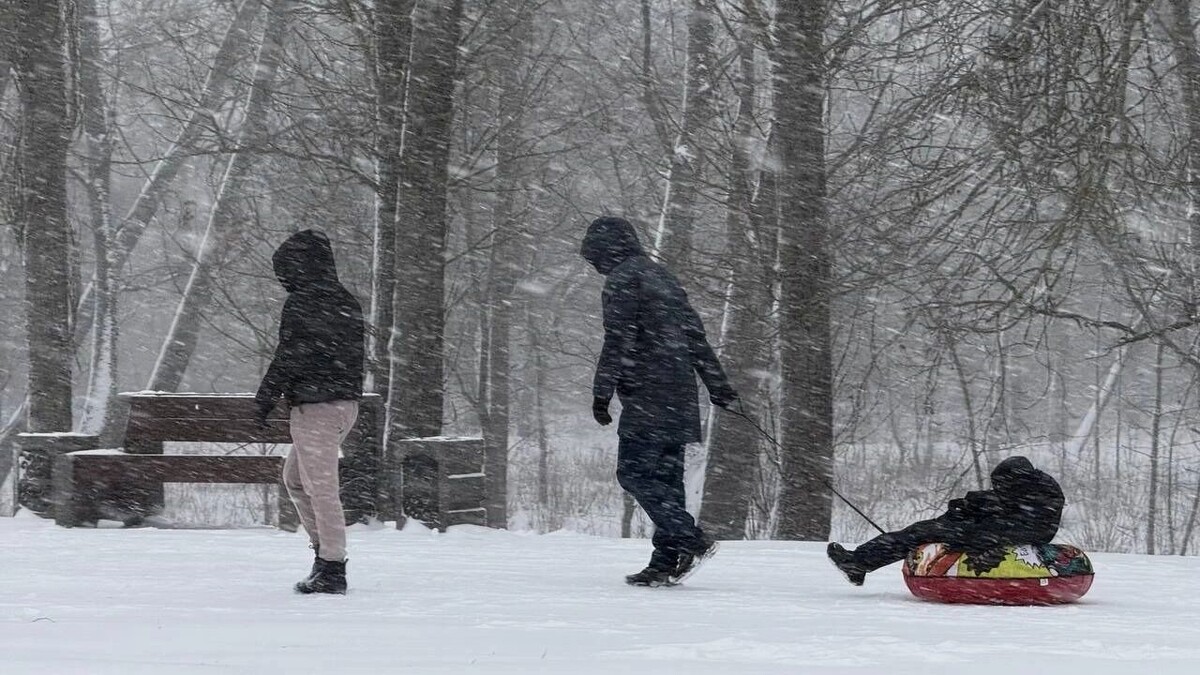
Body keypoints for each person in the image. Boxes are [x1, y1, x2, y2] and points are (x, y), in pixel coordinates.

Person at [580, 216, 738, 587]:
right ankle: (665, 560)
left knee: (632, 473)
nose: (596, 266)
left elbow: (616, 340)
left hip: (648, 395)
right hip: (680, 395)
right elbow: (694, 335)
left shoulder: (622, 281)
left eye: (595, 258)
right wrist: (717, 385)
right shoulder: (663, 276)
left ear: (606, 251)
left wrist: (602, 393)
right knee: (667, 481)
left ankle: (688, 537)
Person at [255, 229, 364, 595]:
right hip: (345, 404)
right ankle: (325, 555)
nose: (285, 280)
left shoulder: (303, 303)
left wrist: (265, 397)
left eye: (286, 271)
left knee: (320, 488)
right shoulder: (345, 300)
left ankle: (332, 567)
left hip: (316, 406)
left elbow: (290, 354)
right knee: (297, 480)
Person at [827, 455, 1065, 585]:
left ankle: (859, 562)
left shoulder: (1034, 500)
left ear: (1012, 481)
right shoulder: (1033, 490)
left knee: (920, 533)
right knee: (927, 528)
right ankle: (860, 562)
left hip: (994, 532)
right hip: (1000, 528)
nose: (997, 489)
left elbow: (1009, 524)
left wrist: (967, 530)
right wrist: (971, 504)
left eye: (999, 485)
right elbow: (1006, 506)